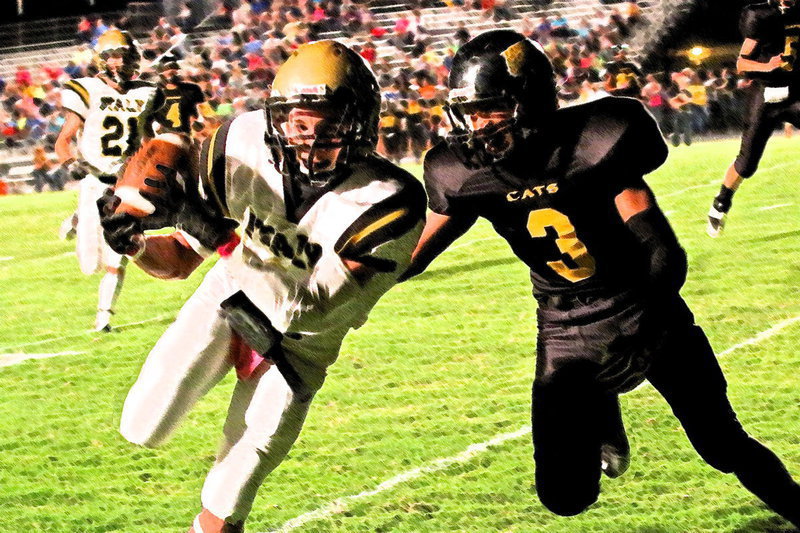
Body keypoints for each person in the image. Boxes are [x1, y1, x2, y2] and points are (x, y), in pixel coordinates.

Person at [402, 30, 800, 527]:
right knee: (564, 496)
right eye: (471, 112)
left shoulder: (598, 138)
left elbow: (661, 250)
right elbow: (409, 256)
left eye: (491, 109)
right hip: (566, 328)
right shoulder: (463, 171)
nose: (477, 126)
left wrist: (644, 328)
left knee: (722, 444)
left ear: (529, 101)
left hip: (644, 305)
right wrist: (333, 276)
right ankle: (601, 404)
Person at [99, 40, 425, 533]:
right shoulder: (241, 144)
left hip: (301, 349)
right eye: (299, 123)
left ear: (359, 124)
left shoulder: (390, 202)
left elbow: (306, 311)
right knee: (143, 425)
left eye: (329, 126)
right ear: (278, 117)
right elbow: (182, 259)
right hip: (229, 301)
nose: (311, 140)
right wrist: (136, 243)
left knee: (228, 499)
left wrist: (219, 235)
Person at [54, 29, 164, 331]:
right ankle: (79, 219)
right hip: (94, 180)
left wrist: (152, 167)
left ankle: (104, 316)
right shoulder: (87, 89)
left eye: (124, 55)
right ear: (102, 60)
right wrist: (69, 162)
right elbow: (63, 140)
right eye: (113, 56)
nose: (119, 62)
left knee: (120, 251)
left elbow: (147, 140)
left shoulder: (146, 92)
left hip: (124, 183)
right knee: (89, 260)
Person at [707, 0, 800, 237]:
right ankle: (720, 204)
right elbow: (741, 63)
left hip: (795, 92)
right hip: (766, 96)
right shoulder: (760, 15)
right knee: (747, 164)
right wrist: (768, 66)